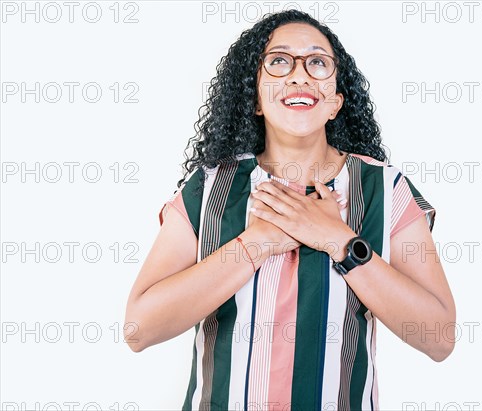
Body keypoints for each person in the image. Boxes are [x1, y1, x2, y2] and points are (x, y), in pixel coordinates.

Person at [124, 9, 455, 411]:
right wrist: (255, 244)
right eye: (279, 61)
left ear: (334, 102)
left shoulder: (385, 190)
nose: (300, 75)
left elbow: (439, 338)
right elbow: (139, 329)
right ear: (256, 99)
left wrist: (339, 240)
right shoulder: (208, 189)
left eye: (317, 62)